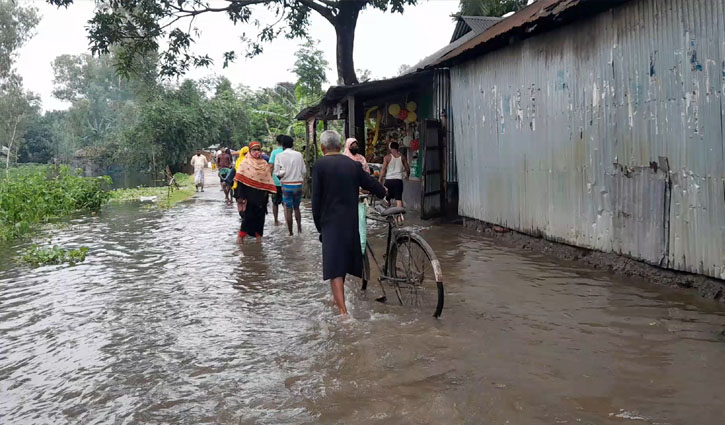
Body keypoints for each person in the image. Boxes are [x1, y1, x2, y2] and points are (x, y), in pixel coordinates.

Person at [312, 130, 386, 315]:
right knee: (342, 261)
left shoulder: (320, 165)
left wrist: (319, 225)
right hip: (350, 221)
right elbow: (370, 182)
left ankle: (343, 312)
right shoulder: (352, 165)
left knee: (334, 266)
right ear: (339, 146)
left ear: (322, 148)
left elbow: (316, 200)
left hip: (330, 221)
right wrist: (385, 193)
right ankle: (338, 300)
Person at [233, 142, 276, 243]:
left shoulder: (264, 164)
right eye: (254, 150)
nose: (256, 152)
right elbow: (239, 181)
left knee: (260, 219)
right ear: (250, 151)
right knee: (247, 218)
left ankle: (259, 242)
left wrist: (266, 194)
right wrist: (240, 197)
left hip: (261, 198)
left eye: (258, 150)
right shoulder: (245, 163)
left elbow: (267, 179)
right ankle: (240, 239)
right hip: (248, 197)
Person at [274, 135, 306, 236]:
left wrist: (282, 176)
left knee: (288, 209)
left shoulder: (279, 156)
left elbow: (277, 172)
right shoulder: (299, 155)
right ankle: (300, 229)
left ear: (282, 145)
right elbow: (304, 171)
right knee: (297, 208)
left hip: (286, 185)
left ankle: (291, 233)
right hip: (298, 185)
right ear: (292, 144)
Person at [379, 141, 410, 208]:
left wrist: (380, 178)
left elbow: (383, 169)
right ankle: (399, 216)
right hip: (398, 181)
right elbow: (407, 168)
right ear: (398, 148)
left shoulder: (387, 157)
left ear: (390, 148)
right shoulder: (402, 157)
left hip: (389, 181)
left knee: (387, 198)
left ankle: (388, 213)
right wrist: (407, 175)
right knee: (398, 199)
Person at [268, 135, 286, 225]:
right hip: (287, 181)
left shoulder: (274, 152)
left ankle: (276, 221)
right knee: (286, 202)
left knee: (275, 202)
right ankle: (288, 220)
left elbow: (271, 166)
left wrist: (269, 179)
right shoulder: (288, 152)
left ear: (277, 142)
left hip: (275, 181)